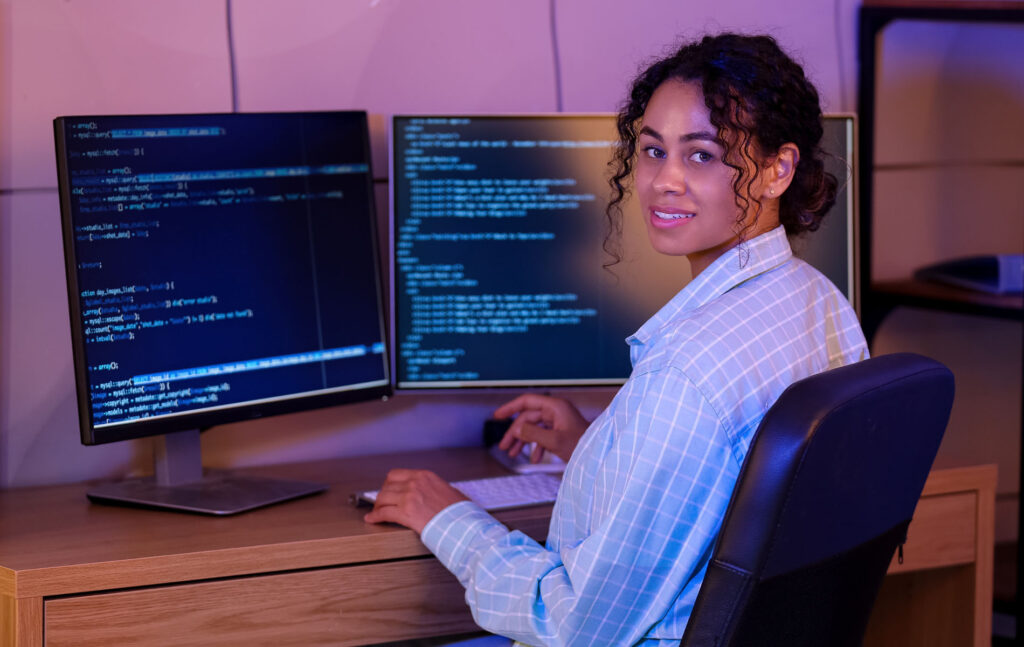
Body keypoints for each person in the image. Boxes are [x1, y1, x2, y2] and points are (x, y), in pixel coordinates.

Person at [365, 32, 868, 645]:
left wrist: (449, 519)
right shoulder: (820, 302)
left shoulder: (682, 378)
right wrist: (600, 445)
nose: (663, 181)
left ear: (776, 169)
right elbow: (734, 490)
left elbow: (576, 625)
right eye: (653, 151)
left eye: (702, 155)